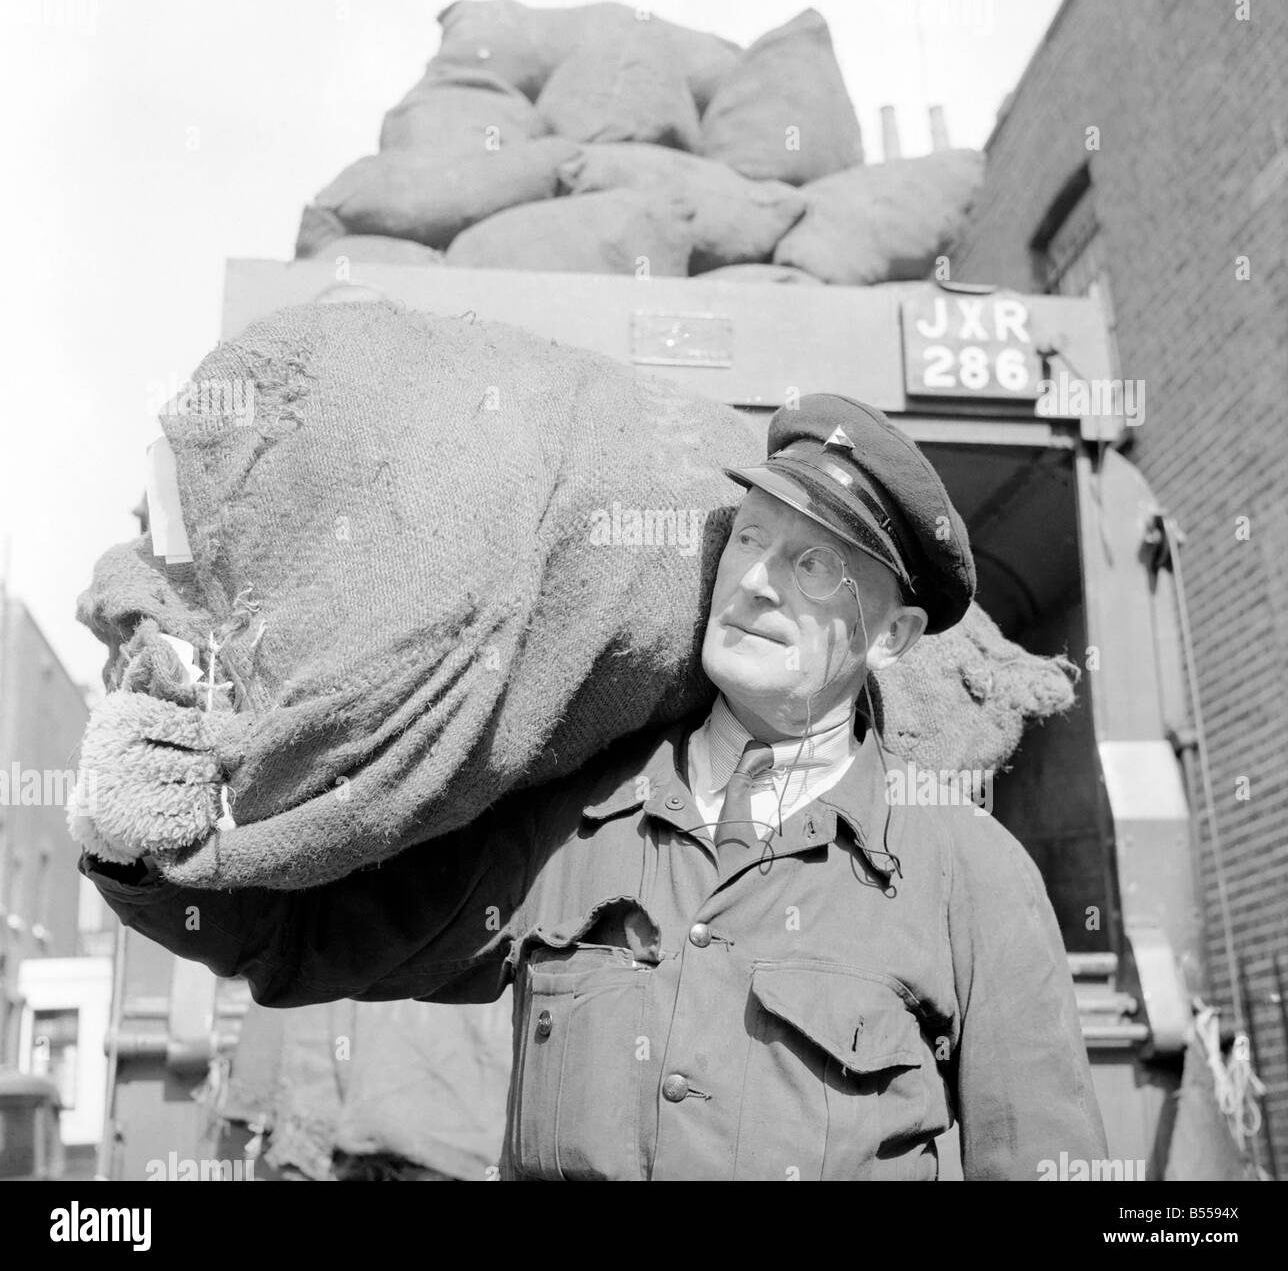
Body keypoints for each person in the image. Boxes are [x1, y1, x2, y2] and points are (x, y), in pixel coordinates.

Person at [83, 393, 1107, 1181]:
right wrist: (150, 845)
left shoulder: (964, 876)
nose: (755, 580)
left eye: (813, 567)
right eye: (749, 539)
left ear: (890, 635)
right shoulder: (574, 821)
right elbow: (310, 930)